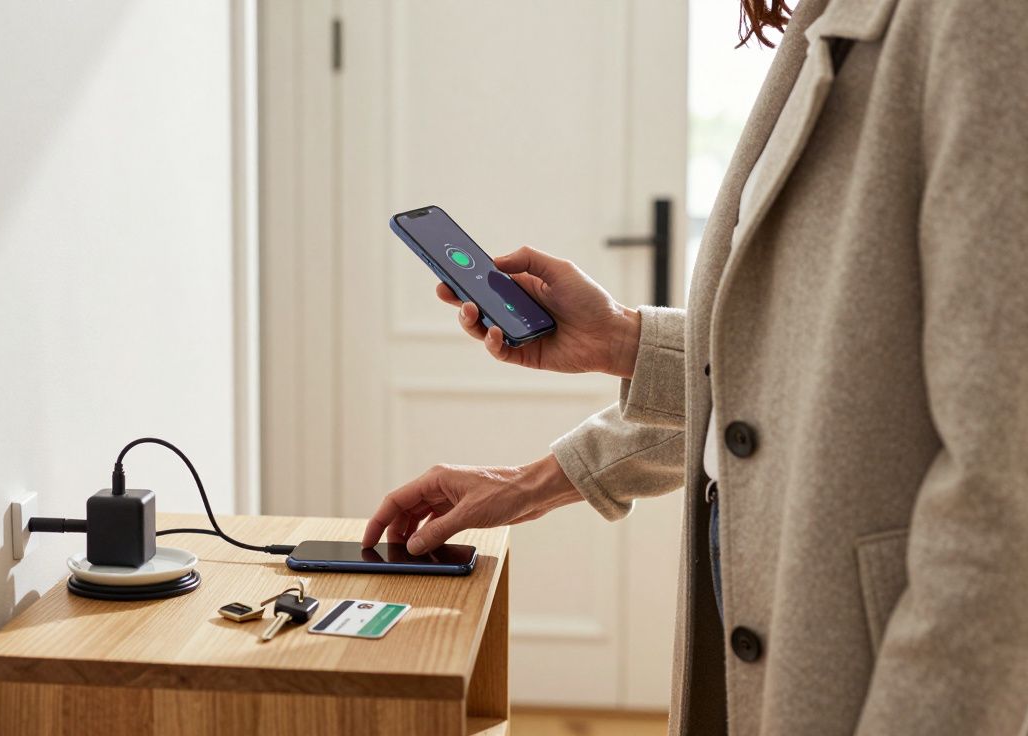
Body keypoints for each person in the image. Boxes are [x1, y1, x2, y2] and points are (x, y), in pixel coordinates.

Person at [361, 0, 1028, 733]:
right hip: (762, 595)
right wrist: (613, 347)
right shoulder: (824, 17)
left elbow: (1004, 497)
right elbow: (792, 374)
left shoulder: (981, 20)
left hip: (864, 650)